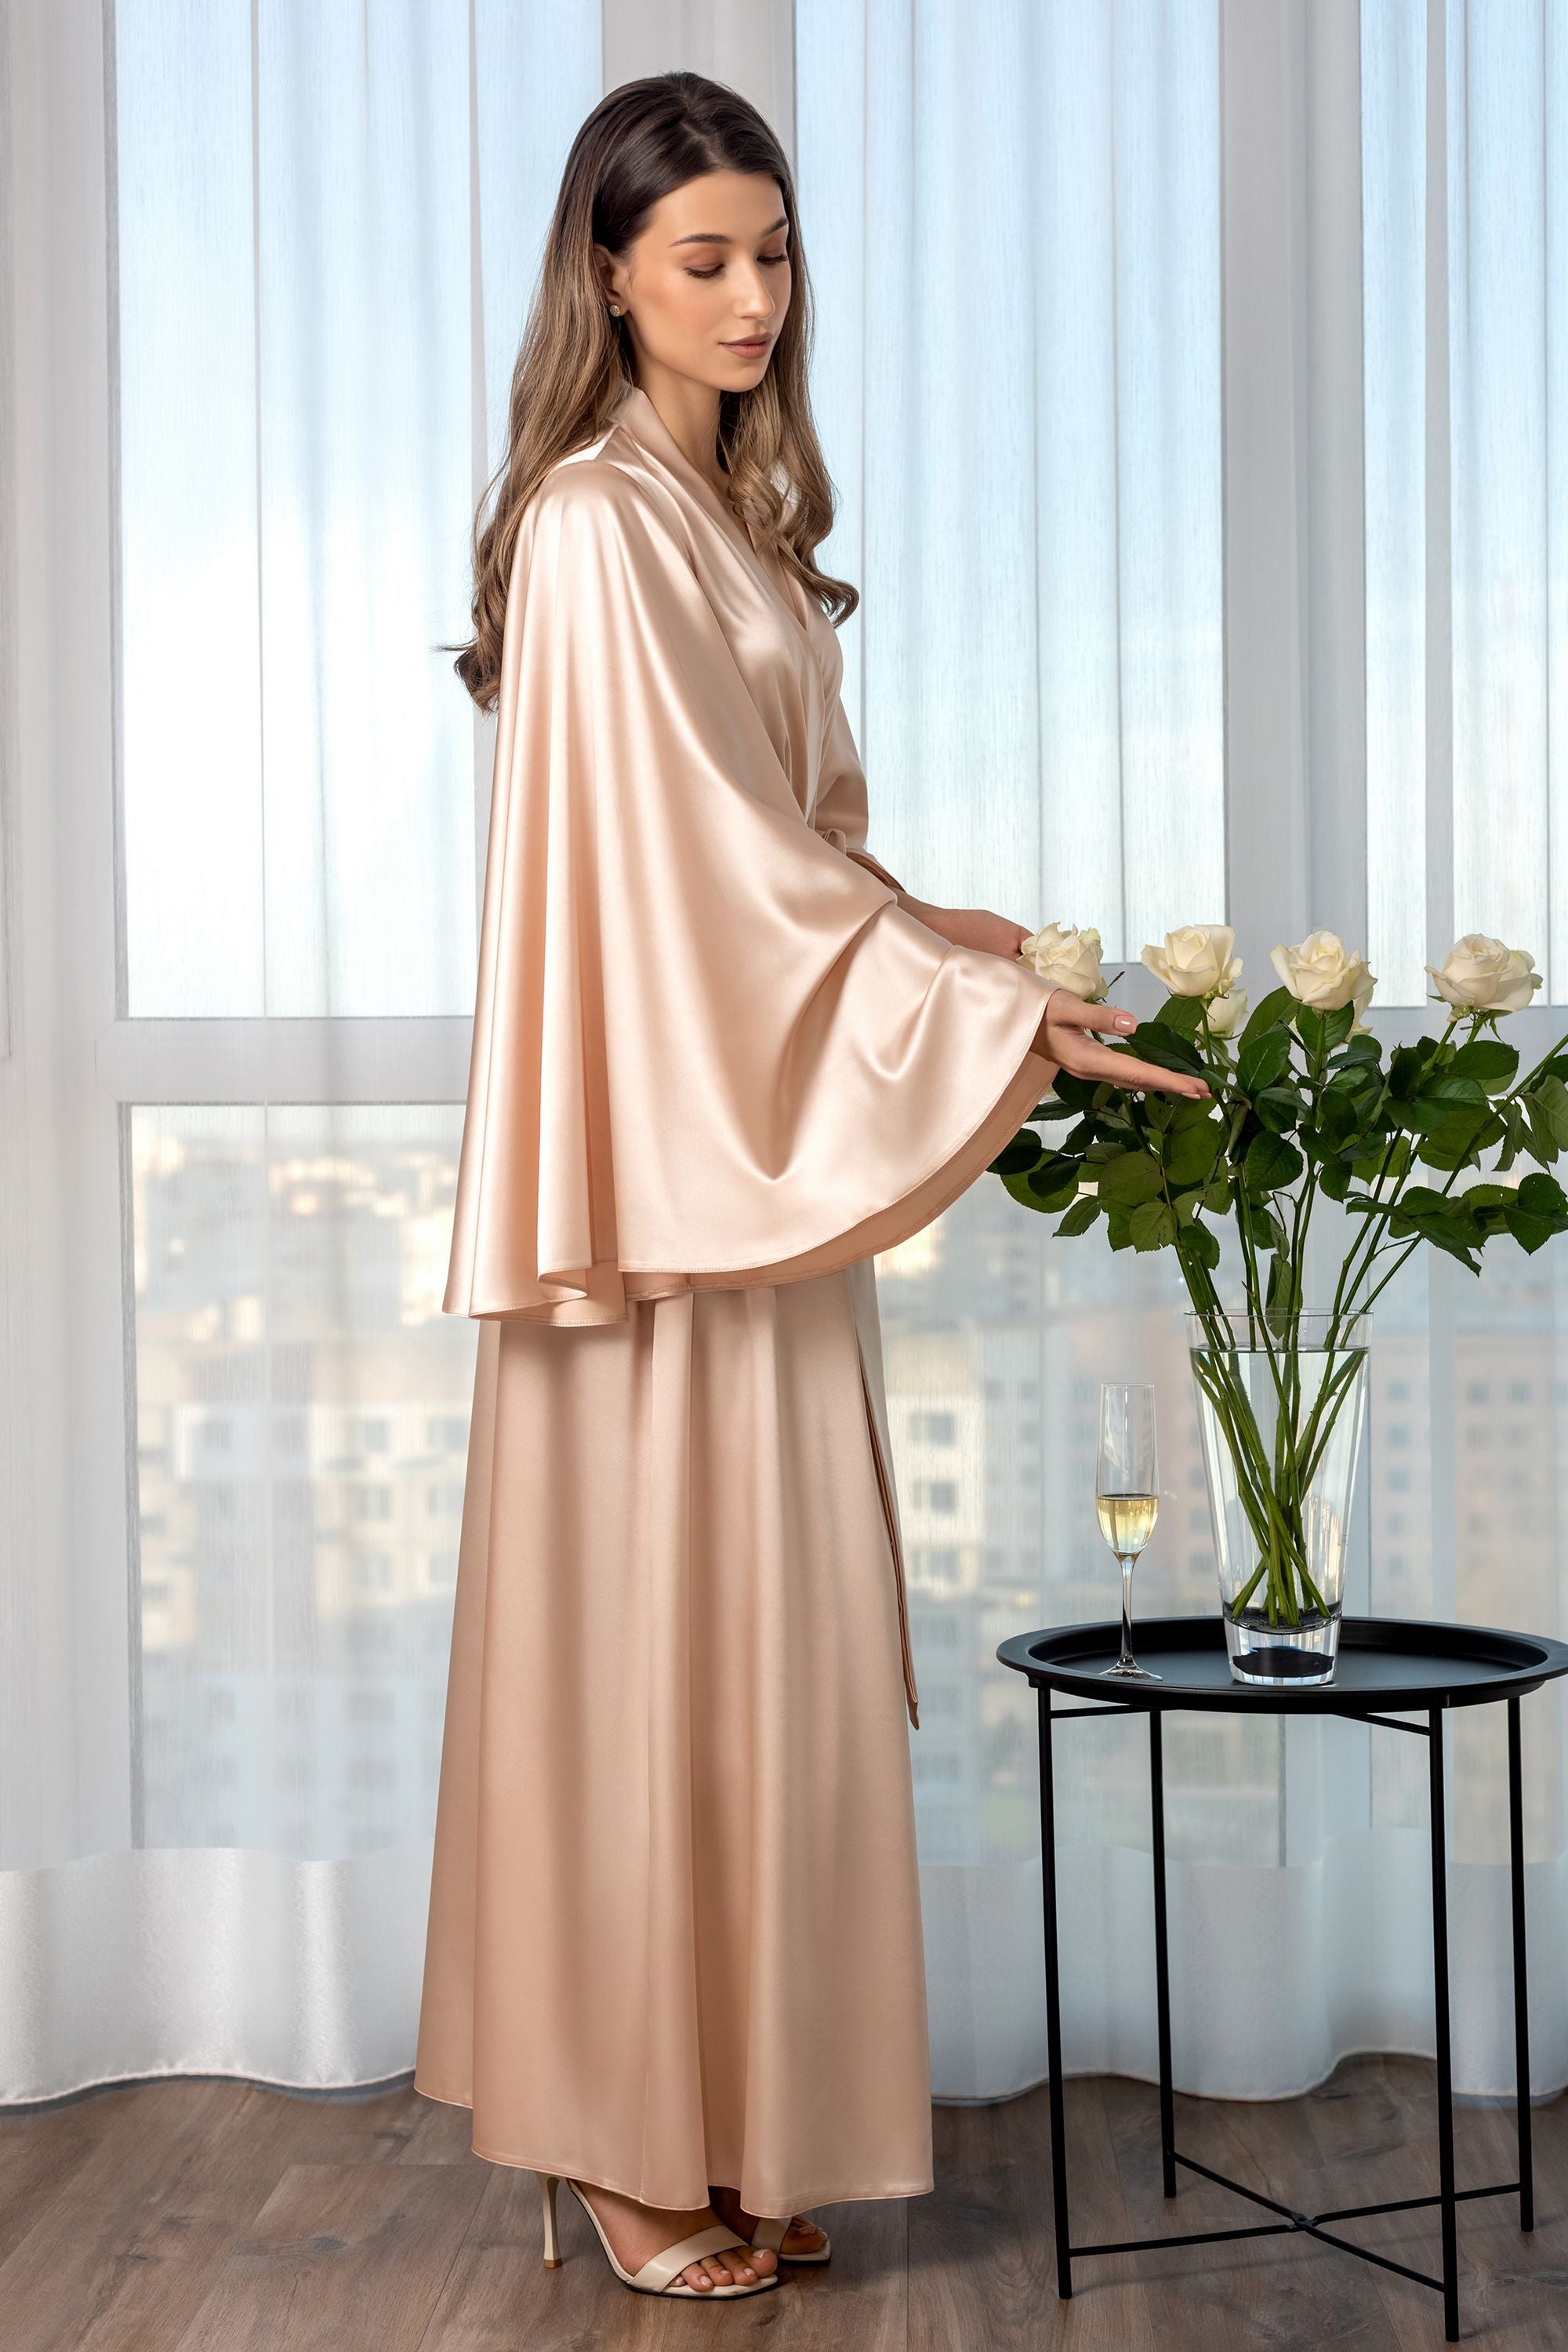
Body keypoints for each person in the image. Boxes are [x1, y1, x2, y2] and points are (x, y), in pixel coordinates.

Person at [412, 69, 1208, 2304]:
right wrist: (963, 1004)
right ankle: (616, 2133)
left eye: (773, 255)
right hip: (661, 1198)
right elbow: (682, 878)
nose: (755, 297)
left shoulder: (727, 519)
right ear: (608, 271)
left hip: (748, 1177)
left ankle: (717, 2110)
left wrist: (957, 942)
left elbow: (795, 858)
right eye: (705, 260)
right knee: (651, 1652)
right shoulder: (591, 520)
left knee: (754, 1660)